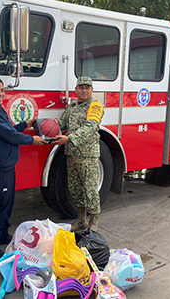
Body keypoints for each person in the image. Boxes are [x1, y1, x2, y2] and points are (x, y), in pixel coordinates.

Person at [0, 77, 47, 261]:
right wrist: (32, 139)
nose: (0, 94)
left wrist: (26, 125)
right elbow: (9, 134)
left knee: (7, 203)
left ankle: (1, 234)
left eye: (2, 90)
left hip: (6, 165)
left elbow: (10, 130)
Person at [52, 76, 104, 232]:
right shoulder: (72, 107)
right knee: (75, 188)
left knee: (90, 190)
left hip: (88, 156)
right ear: (76, 90)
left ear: (91, 90)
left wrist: (69, 138)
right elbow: (61, 124)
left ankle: (93, 221)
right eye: (81, 87)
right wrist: (44, 127)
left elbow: (90, 127)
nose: (84, 90)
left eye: (87, 87)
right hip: (72, 154)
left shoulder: (95, 106)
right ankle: (81, 219)